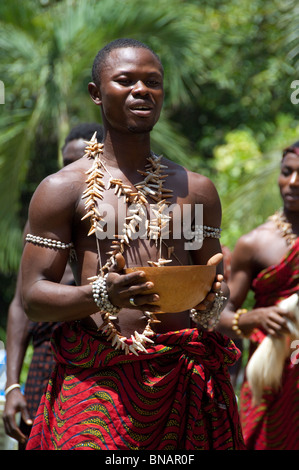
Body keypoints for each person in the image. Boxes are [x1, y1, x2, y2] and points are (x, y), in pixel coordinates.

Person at [21, 38, 244, 450]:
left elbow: (212, 288)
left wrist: (214, 296)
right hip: (98, 387)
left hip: (186, 382)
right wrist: (105, 294)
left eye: (153, 82)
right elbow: (33, 297)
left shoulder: (196, 191)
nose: (142, 90)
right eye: (125, 80)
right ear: (95, 94)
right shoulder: (61, 189)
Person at [3, 123, 104, 449]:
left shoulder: (118, 218)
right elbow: (21, 304)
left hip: (97, 363)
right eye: (67, 162)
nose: (75, 169)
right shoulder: (45, 219)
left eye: (86, 160)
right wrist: (12, 386)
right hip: (46, 360)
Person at [218, 141, 299, 450]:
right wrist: (254, 318)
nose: (293, 183)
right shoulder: (255, 244)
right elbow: (217, 314)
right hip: (273, 375)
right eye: (287, 172)